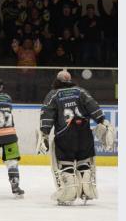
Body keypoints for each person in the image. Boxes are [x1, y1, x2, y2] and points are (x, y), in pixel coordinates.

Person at [38, 71, 115, 205]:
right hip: (84, 133)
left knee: (66, 163)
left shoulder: (53, 95)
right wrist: (103, 121)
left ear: (57, 80)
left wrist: (44, 133)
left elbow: (47, 115)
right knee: (84, 162)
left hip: (65, 134)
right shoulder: (81, 91)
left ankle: (69, 192)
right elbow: (93, 107)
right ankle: (87, 190)